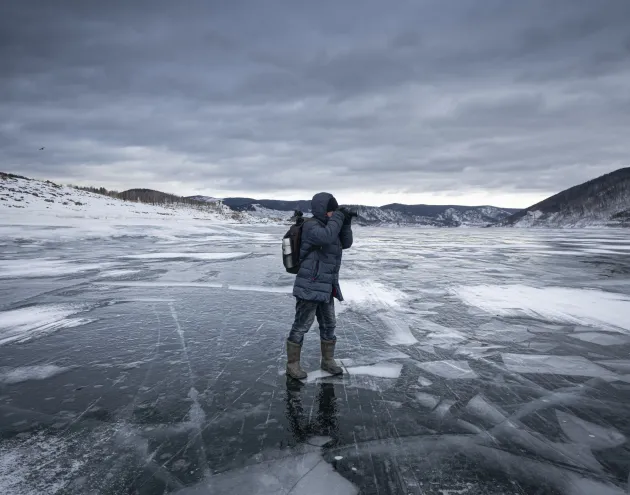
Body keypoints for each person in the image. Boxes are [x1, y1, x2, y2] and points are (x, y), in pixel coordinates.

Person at [286, 192, 353, 379]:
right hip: (310, 284)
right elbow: (326, 237)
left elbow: (346, 243)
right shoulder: (311, 226)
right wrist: (339, 217)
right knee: (302, 325)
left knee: (329, 325)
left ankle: (328, 361)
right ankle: (292, 365)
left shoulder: (330, 226)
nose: (333, 214)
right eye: (331, 210)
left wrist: (345, 222)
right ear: (322, 210)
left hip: (326, 285)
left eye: (334, 211)